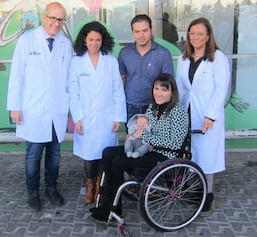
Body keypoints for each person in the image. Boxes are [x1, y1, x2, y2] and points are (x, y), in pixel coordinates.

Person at [89, 73, 189, 221]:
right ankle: (106, 203)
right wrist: (134, 135)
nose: (159, 93)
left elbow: (175, 143)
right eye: (156, 88)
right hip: (147, 147)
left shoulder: (178, 111)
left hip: (165, 155)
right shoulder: (152, 108)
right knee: (108, 152)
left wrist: (146, 138)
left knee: (118, 162)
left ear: (172, 92)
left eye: (164, 90)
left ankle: (115, 208)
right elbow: (142, 130)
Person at [6, 2, 73, 212]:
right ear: (44, 17)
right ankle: (33, 192)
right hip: (33, 109)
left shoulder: (65, 43)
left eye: (60, 19)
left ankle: (51, 188)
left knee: (54, 154)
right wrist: (14, 107)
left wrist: (71, 108)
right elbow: (16, 75)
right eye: (52, 18)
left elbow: (69, 78)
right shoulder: (27, 40)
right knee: (33, 154)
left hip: (57, 110)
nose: (56, 23)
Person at [176, 17, 231, 216]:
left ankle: (208, 195)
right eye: (192, 33)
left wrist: (211, 115)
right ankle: (195, 190)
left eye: (200, 33)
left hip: (208, 116)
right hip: (189, 111)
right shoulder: (183, 59)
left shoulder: (218, 58)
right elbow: (181, 88)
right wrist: (176, 112)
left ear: (208, 36)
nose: (196, 37)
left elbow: (220, 89)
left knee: (207, 156)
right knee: (193, 153)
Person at [68, 21, 127, 204]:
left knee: (105, 155)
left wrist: (118, 116)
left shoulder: (110, 61)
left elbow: (118, 90)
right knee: (89, 156)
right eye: (91, 39)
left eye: (98, 40)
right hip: (85, 117)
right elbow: (73, 91)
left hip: (107, 117)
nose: (94, 43)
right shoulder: (76, 62)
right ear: (84, 40)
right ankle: (90, 185)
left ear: (104, 41)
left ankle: (101, 188)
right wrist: (77, 117)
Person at [118, 14, 175, 122]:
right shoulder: (125, 53)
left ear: (151, 30)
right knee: (133, 138)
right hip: (131, 106)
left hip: (155, 107)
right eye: (137, 31)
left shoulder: (163, 53)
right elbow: (121, 80)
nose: (141, 35)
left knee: (155, 138)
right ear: (132, 33)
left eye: (145, 30)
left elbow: (169, 83)